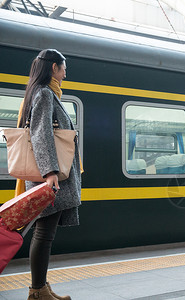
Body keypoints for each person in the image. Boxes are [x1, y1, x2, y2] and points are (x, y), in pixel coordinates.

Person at [17, 49, 82, 300]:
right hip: (50, 176)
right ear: (54, 67)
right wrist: (50, 172)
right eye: (64, 68)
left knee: (45, 233)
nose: (66, 73)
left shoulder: (44, 93)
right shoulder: (45, 94)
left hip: (49, 174)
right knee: (44, 234)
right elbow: (41, 134)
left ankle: (41, 288)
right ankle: (37, 291)